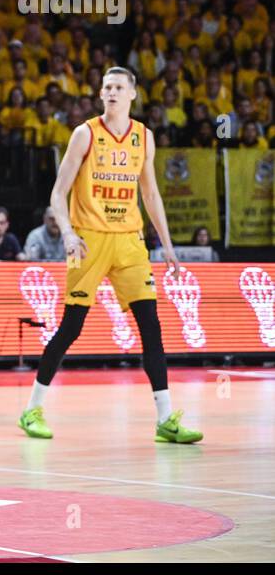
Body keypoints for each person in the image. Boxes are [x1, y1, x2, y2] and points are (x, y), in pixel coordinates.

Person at [19, 66, 202, 444]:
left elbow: (150, 195)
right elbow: (58, 193)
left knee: (151, 327)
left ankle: (165, 419)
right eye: (106, 87)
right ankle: (32, 409)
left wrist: (167, 247)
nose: (112, 92)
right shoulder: (84, 133)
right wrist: (68, 233)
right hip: (89, 241)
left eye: (119, 87)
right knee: (72, 328)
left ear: (133, 94)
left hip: (130, 243)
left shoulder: (143, 137)